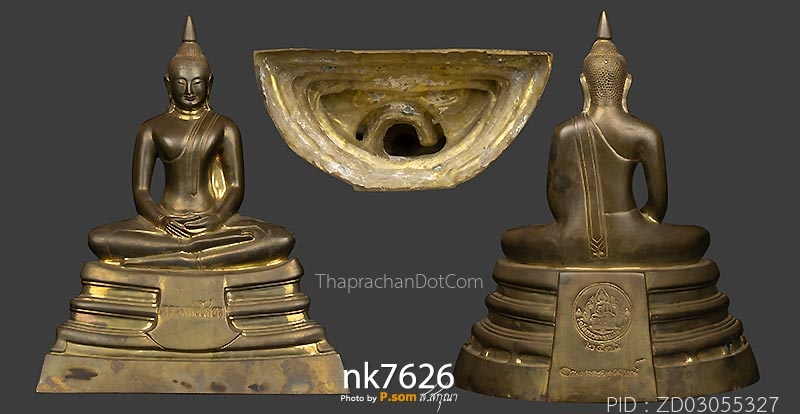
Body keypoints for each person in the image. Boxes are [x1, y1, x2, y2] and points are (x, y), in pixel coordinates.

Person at [501, 12, 709, 266]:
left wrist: (577, 226)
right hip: (634, 235)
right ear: (627, 84)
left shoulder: (564, 132)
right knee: (699, 237)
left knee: (511, 239)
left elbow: (556, 202)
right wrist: (635, 227)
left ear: (583, 84)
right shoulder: (645, 133)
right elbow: (657, 207)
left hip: (571, 238)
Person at [89, 16, 294, 269]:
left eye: (197, 82)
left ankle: (183, 254)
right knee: (100, 238)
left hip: (213, 223)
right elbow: (141, 191)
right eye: (181, 82)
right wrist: (162, 221)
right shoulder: (151, 128)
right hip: (165, 223)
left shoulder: (224, 126)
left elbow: (235, 187)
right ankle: (193, 251)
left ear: (210, 83)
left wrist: (217, 219)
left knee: (280, 239)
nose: (189, 90)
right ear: (168, 84)